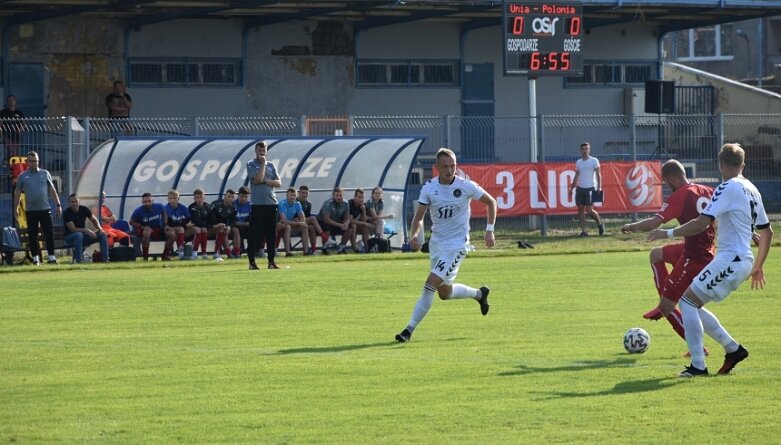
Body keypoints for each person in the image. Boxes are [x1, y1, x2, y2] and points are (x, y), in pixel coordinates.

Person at [648, 143, 773, 377]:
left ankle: (698, 365)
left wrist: (667, 233)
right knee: (693, 304)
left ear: (721, 164)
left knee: (687, 304)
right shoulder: (751, 189)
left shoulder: (727, 187)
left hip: (730, 258)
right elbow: (767, 232)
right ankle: (732, 349)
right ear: (742, 164)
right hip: (742, 260)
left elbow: (700, 224)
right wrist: (758, 266)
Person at [395, 147, 497, 343]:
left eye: (453, 166)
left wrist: (489, 229)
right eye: (445, 167)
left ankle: (408, 330)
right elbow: (419, 218)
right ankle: (479, 294)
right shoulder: (429, 188)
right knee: (444, 292)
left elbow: (491, 202)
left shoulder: (466, 186)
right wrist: (415, 235)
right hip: (437, 245)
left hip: (457, 246)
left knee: (429, 284)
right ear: (437, 168)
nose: (450, 170)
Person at [620, 160, 715, 353]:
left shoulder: (679, 196)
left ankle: (697, 348)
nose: (666, 186)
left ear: (673, 178)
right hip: (702, 250)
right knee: (656, 255)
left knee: (670, 307)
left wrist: (631, 226)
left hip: (695, 257)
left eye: (666, 182)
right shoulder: (707, 190)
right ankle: (665, 298)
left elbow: (653, 223)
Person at [13, 151, 61, 265]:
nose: (34, 163)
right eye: (31, 161)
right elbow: (18, 193)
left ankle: (51, 258)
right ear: (27, 162)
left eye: (36, 161)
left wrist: (58, 204)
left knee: (49, 233)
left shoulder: (45, 173)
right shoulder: (23, 176)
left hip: (45, 209)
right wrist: (15, 208)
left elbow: (52, 190)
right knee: (32, 235)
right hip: (31, 211)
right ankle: (35, 259)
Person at [246, 141, 282, 270]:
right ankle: (252, 262)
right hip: (258, 204)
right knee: (254, 233)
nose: (262, 153)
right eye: (260, 151)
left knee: (271, 234)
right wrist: (262, 164)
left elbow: (278, 183)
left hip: (271, 204)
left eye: (264, 151)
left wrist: (267, 181)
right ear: (256, 151)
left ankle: (271, 262)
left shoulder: (272, 165)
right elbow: (257, 179)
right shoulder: (251, 164)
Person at [568, 142, 605, 237]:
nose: (584, 151)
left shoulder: (594, 160)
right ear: (580, 151)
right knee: (580, 210)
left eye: (586, 149)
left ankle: (600, 223)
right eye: (583, 149)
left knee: (589, 210)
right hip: (580, 189)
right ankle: (584, 231)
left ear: (589, 150)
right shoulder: (579, 162)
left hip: (591, 188)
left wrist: (599, 187)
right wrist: (571, 188)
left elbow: (598, 174)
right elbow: (576, 175)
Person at [63, 193, 109, 263]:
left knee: (102, 234)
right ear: (69, 203)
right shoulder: (66, 213)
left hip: (83, 236)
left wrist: (100, 229)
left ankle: (105, 260)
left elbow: (94, 219)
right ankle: (79, 260)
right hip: (70, 238)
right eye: (72, 202)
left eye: (76, 201)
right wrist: (87, 231)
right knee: (78, 235)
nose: (74, 204)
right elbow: (73, 229)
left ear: (79, 201)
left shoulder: (84, 209)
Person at [130, 192, 173, 261]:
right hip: (143, 229)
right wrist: (142, 226)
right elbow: (131, 222)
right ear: (142, 202)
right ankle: (145, 257)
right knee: (147, 232)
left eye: (149, 201)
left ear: (152, 201)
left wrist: (165, 225)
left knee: (171, 234)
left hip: (156, 228)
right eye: (145, 202)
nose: (147, 203)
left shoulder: (159, 206)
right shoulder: (138, 211)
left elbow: (164, 213)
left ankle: (165, 256)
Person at [318, 187, 354, 254]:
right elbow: (326, 220)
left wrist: (346, 224)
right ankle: (324, 248)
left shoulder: (346, 203)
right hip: (322, 223)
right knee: (326, 227)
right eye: (337, 195)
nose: (339, 197)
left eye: (340, 195)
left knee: (350, 228)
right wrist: (341, 225)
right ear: (333, 196)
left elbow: (347, 217)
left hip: (335, 222)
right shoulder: (328, 203)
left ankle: (341, 247)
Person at [278, 187, 312, 256]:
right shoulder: (282, 204)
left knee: (304, 226)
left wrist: (299, 222)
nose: (292, 197)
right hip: (280, 225)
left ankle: (306, 251)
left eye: (294, 195)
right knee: (287, 227)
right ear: (287, 195)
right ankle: (288, 252)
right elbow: (284, 220)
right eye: (291, 195)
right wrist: (298, 222)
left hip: (291, 224)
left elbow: (303, 218)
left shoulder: (297, 204)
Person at [164, 189, 197, 260]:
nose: (173, 200)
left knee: (197, 230)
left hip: (181, 231)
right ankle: (181, 253)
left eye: (175, 198)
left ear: (178, 198)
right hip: (168, 229)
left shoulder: (183, 208)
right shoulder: (165, 209)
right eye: (171, 198)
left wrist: (188, 224)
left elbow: (189, 220)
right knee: (180, 229)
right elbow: (165, 224)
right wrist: (184, 225)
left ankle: (195, 253)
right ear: (168, 199)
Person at [209, 189, 240, 260]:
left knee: (236, 230)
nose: (230, 199)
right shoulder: (216, 205)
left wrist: (229, 227)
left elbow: (233, 221)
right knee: (222, 229)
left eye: (232, 197)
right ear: (225, 196)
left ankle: (237, 253)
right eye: (229, 196)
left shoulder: (233, 208)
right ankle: (218, 253)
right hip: (213, 227)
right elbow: (210, 219)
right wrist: (217, 224)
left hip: (225, 227)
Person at [298, 185, 327, 253]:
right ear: (299, 193)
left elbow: (307, 216)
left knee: (311, 227)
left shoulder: (308, 204)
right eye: (303, 193)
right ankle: (324, 237)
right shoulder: (295, 202)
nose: (304, 195)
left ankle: (313, 250)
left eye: (306, 193)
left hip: (304, 222)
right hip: (296, 223)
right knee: (313, 219)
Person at [187, 188, 212, 259]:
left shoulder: (208, 206)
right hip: (192, 228)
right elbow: (197, 222)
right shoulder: (192, 207)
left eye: (201, 197)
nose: (199, 199)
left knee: (204, 229)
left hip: (205, 228)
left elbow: (211, 219)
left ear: (204, 197)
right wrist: (211, 225)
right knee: (199, 229)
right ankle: (194, 253)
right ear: (194, 198)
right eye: (197, 197)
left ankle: (204, 253)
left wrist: (213, 225)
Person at [348, 188, 373, 253]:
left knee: (365, 228)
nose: (361, 199)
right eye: (359, 197)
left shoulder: (363, 205)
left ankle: (367, 249)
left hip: (356, 224)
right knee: (353, 226)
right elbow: (350, 220)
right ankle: (355, 249)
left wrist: (364, 210)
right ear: (355, 197)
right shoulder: (350, 204)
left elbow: (364, 220)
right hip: (347, 224)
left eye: (362, 197)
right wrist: (363, 223)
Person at [233, 186, 252, 256]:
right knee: (237, 229)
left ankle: (253, 250)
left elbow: (252, 222)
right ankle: (238, 251)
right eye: (242, 196)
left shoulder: (250, 206)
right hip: (236, 228)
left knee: (255, 229)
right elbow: (233, 222)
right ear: (238, 195)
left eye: (246, 197)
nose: (244, 199)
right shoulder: (234, 205)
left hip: (246, 227)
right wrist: (246, 224)